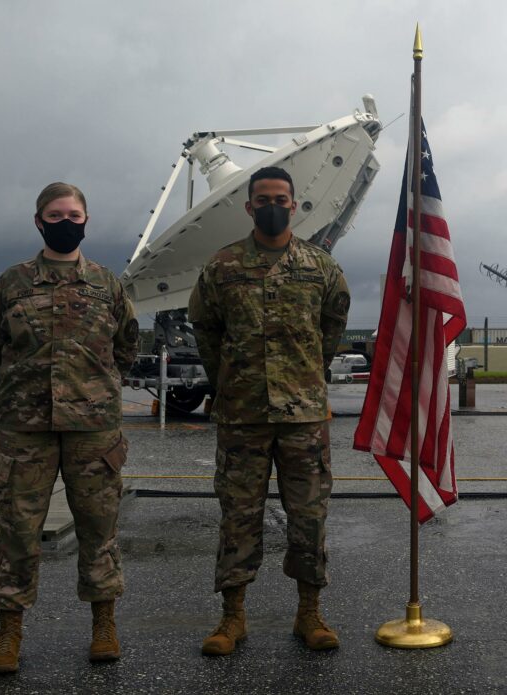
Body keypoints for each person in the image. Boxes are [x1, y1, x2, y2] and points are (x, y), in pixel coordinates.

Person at [0, 182, 139, 674]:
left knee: (99, 528)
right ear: (39, 221)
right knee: (17, 532)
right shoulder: (12, 283)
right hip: (25, 430)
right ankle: (9, 633)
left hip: (94, 431)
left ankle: (103, 625)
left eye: (73, 213)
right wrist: (19, 391)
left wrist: (97, 389)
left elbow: (125, 348)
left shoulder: (107, 284)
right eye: (55, 213)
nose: (65, 220)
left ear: (86, 220)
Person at [188, 166, 350, 655]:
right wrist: (228, 381)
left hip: (303, 416)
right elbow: (206, 329)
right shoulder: (223, 266)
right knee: (238, 516)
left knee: (310, 517)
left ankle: (310, 613)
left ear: (294, 205)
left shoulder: (319, 266)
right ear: (249, 206)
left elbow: (333, 324)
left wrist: (306, 373)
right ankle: (232, 618)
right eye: (263, 199)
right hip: (243, 416)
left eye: (281, 198)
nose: (272, 205)